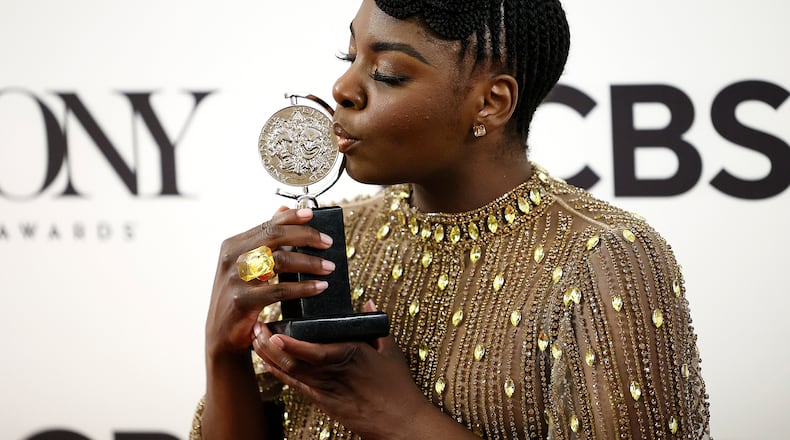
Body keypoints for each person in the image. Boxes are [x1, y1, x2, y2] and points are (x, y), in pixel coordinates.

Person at [191, 0, 711, 438]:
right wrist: (223, 355)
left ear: (491, 102)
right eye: (348, 56)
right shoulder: (332, 240)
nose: (342, 87)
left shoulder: (603, 259)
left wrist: (400, 417)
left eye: (386, 72)